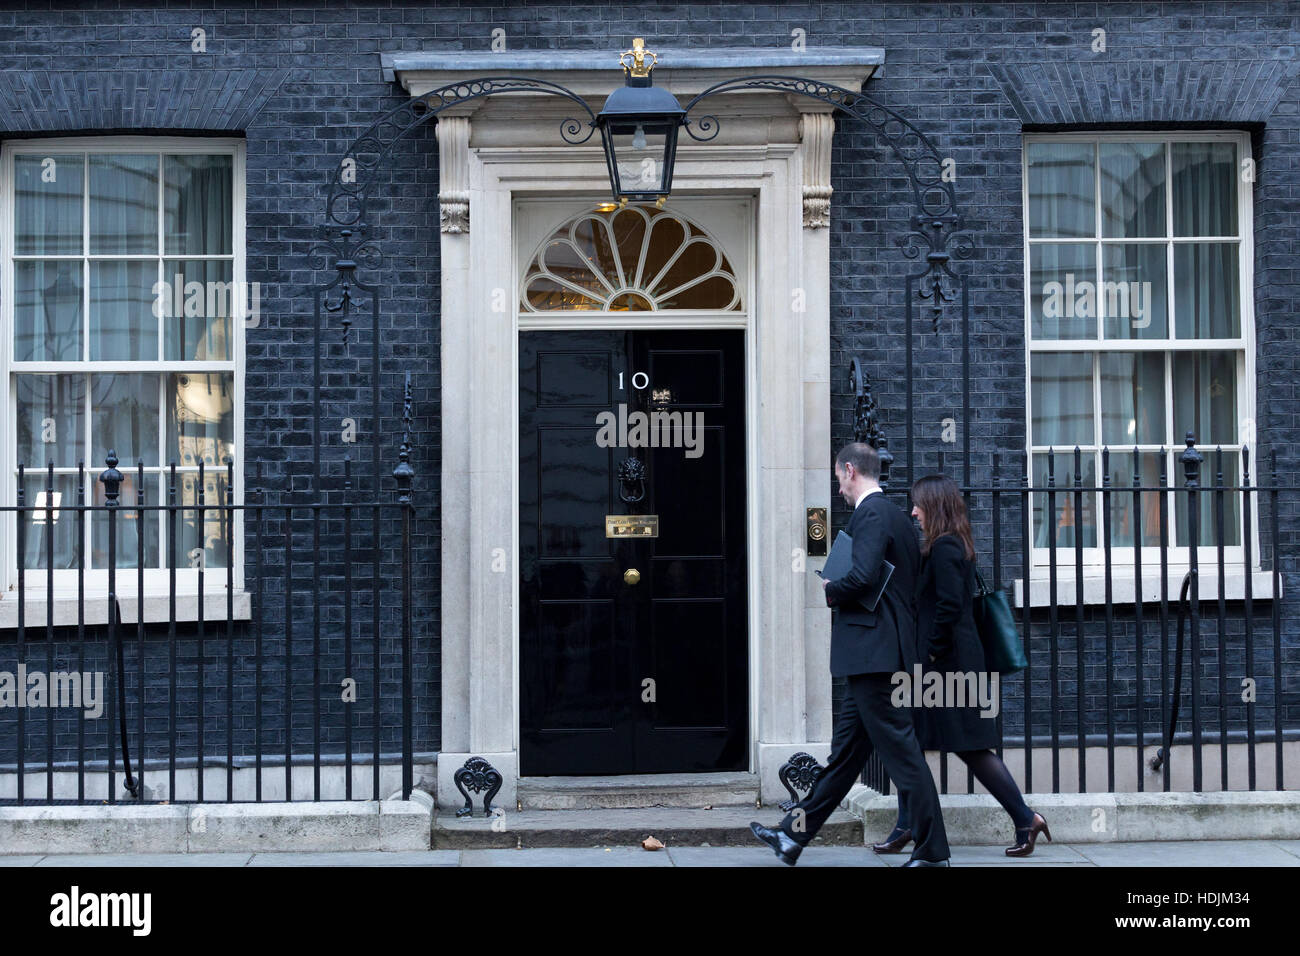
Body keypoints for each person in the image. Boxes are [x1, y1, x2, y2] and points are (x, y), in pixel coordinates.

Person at [750, 442, 950, 867]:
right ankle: (791, 837)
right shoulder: (893, 516)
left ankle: (933, 851)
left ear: (849, 470)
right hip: (874, 654)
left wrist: (830, 588)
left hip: (874, 655)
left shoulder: (874, 514)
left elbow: (862, 575)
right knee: (845, 760)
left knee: (903, 754)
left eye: (839, 477)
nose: (838, 487)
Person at [871, 473, 1050, 858]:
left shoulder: (947, 548)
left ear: (934, 506)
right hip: (944, 666)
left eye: (918, 504)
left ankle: (1024, 817)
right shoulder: (948, 545)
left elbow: (951, 607)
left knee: (970, 748)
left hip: (949, 668)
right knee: (912, 743)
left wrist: (931, 653)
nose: (914, 512)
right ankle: (907, 824)